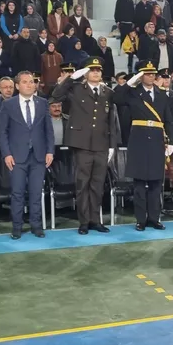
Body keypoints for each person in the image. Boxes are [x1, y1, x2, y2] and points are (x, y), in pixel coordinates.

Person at [51, 57, 118, 235]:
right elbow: (56, 95)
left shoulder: (108, 92)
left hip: (101, 144)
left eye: (98, 70)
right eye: (92, 69)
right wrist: (71, 78)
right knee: (83, 184)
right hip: (81, 144)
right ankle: (84, 222)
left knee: (97, 185)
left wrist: (112, 145)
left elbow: (111, 120)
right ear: (86, 73)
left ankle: (95, 220)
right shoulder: (76, 88)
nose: (95, 72)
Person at [114, 61, 173, 231]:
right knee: (139, 183)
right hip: (139, 140)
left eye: (152, 73)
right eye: (146, 74)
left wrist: (171, 141)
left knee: (156, 182)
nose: (150, 76)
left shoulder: (162, 94)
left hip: (157, 140)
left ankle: (154, 218)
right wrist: (130, 82)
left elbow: (168, 120)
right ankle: (141, 220)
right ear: (140, 76)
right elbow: (116, 98)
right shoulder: (133, 93)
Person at [0, 70, 53, 239]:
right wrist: (7, 154)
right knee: (18, 193)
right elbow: (2, 132)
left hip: (39, 155)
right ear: (17, 85)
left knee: (36, 193)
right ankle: (17, 226)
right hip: (17, 156)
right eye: (25, 82)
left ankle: (36, 225)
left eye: (31, 82)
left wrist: (50, 151)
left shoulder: (42, 103)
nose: (29, 85)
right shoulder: (8, 104)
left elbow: (48, 130)